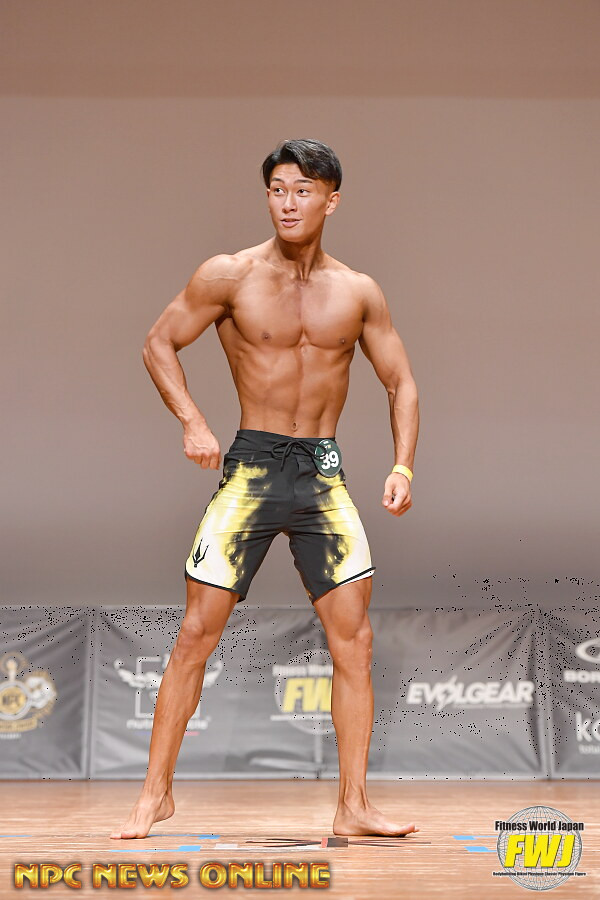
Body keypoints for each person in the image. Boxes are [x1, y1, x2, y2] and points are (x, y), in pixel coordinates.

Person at [111, 139, 419, 840]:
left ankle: (353, 804)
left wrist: (403, 465)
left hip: (322, 474)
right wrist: (193, 422)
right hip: (252, 468)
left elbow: (401, 381)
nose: (288, 202)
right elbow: (159, 342)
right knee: (195, 633)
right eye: (277, 189)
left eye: (303, 190)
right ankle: (154, 795)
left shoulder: (358, 291)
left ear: (331, 200)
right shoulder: (230, 275)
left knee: (355, 642)